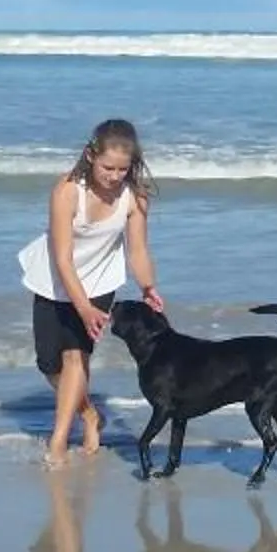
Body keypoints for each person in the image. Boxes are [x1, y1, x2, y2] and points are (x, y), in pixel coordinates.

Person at [17, 119, 163, 466]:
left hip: (99, 281)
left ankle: (58, 442)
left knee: (76, 356)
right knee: (49, 364)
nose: (114, 176)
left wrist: (148, 287)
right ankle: (89, 412)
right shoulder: (67, 191)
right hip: (54, 279)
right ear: (90, 156)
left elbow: (138, 251)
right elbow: (63, 258)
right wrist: (80, 306)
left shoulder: (135, 197)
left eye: (122, 169)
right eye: (107, 167)